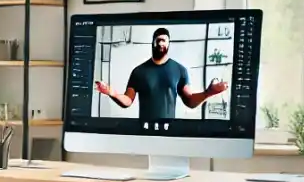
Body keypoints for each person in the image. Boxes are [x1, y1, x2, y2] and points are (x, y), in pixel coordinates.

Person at [95, 28, 228, 121]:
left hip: (169, 133)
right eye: (158, 40)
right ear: (152, 43)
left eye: (164, 41)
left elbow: (190, 101)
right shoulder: (138, 71)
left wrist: (209, 92)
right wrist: (112, 93)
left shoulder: (180, 70)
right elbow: (127, 101)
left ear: (169, 44)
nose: (161, 43)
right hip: (144, 131)